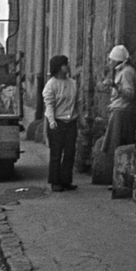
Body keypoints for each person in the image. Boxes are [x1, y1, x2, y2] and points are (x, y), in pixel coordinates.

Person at [41, 55, 79, 191]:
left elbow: (77, 102)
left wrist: (78, 117)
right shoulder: (51, 85)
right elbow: (49, 105)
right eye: (64, 64)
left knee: (69, 152)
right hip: (57, 121)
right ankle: (55, 181)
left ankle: (66, 180)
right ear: (58, 67)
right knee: (56, 153)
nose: (67, 66)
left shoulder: (72, 83)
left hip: (71, 121)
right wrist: (51, 121)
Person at [105, 43, 136, 154]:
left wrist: (115, 86)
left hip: (123, 114)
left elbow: (130, 94)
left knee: (118, 148)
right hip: (119, 112)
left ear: (117, 60)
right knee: (115, 149)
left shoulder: (127, 72)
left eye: (111, 60)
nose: (109, 63)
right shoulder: (121, 72)